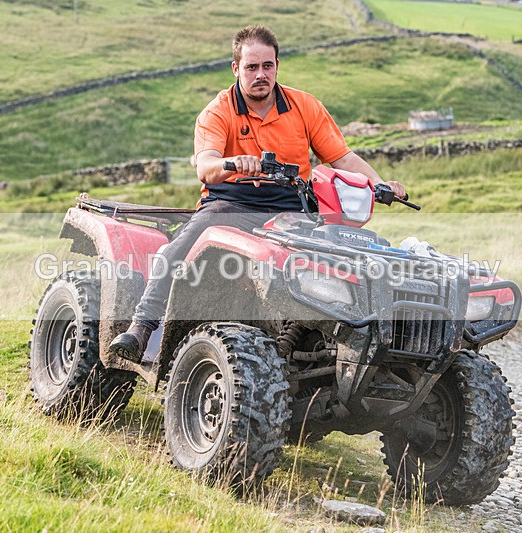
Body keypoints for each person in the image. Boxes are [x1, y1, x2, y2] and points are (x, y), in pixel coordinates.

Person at [110, 24, 406, 363]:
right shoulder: (217, 111)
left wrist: (381, 183)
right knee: (178, 250)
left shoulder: (305, 106)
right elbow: (205, 166)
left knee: (351, 260)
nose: (260, 75)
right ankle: (141, 328)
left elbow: (342, 157)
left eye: (268, 66)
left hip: (295, 209)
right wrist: (233, 162)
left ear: (277, 65)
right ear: (236, 69)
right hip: (231, 204)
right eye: (252, 67)